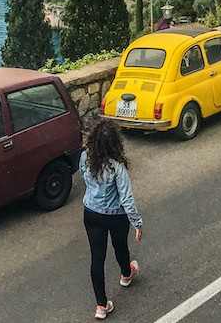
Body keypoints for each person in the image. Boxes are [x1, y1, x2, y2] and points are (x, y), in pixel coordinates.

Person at [80, 119, 143, 319]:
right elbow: (126, 198)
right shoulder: (117, 167)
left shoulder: (84, 158)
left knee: (97, 258)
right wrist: (137, 223)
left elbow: (84, 176)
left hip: (91, 212)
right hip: (115, 216)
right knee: (120, 246)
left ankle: (101, 305)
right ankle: (126, 274)